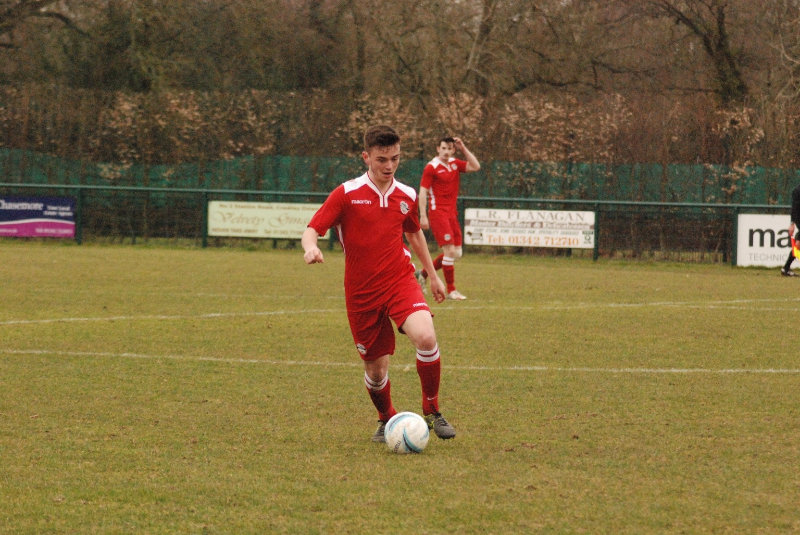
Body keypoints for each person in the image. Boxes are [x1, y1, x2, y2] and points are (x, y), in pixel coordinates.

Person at [302, 124, 457, 443]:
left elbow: (414, 233)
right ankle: (386, 418)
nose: (389, 166)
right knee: (375, 372)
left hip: (400, 280)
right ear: (366, 157)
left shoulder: (407, 195)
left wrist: (432, 274)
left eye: (395, 159)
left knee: (426, 337)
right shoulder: (347, 194)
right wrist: (311, 247)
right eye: (382, 159)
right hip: (361, 292)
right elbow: (312, 228)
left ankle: (431, 410)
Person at [415, 136, 481, 299]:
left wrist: (463, 148)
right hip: (438, 214)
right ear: (438, 149)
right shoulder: (432, 167)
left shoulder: (454, 163)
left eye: (449, 148)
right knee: (450, 251)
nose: (446, 151)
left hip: (452, 214)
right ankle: (451, 290)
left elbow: (475, 166)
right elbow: (422, 191)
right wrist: (423, 215)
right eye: (443, 148)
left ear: (453, 150)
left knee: (456, 253)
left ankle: (422, 274)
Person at [781, 183, 800, 276]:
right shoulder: (797, 190)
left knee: (798, 245)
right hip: (799, 218)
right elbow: (794, 208)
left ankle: (786, 269)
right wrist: (792, 223)